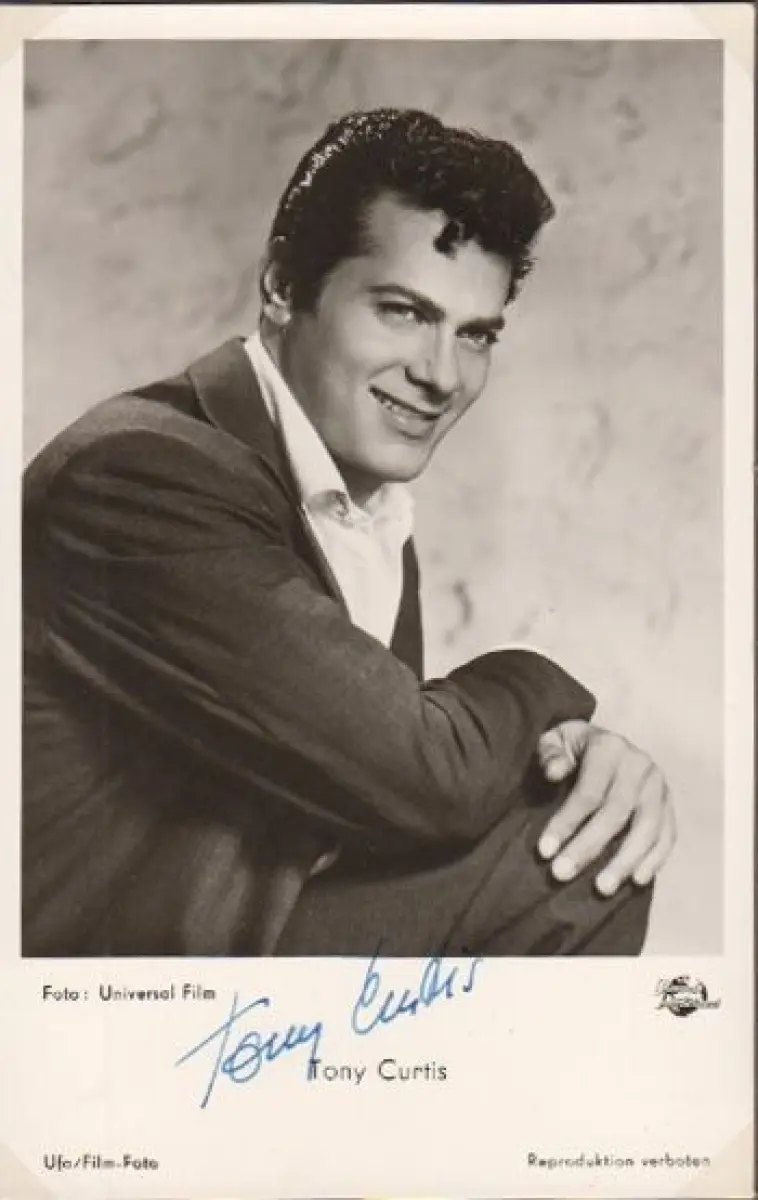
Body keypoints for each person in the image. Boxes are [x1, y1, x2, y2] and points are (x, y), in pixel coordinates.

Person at [22, 108, 675, 957]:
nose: (441, 375)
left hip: (226, 953)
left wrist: (577, 760)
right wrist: (543, 685)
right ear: (282, 286)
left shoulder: (353, 502)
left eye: (474, 335)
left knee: (587, 836)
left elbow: (374, 787)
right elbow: (424, 779)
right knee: (557, 867)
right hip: (83, 995)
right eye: (403, 312)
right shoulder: (141, 474)